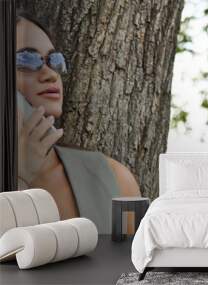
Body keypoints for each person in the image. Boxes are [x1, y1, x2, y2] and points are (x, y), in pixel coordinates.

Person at [16, 13, 140, 233]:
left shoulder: (115, 177)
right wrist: (21, 179)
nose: (51, 74)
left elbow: (136, 264)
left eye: (54, 60)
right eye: (26, 60)